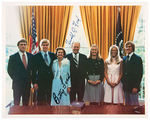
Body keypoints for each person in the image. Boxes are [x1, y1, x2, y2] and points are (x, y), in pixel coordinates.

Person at [7, 38, 33, 106]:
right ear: (18, 46)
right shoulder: (13, 57)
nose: (23, 46)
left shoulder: (31, 56)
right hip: (17, 84)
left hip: (27, 84)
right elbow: (9, 70)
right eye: (21, 44)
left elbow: (32, 69)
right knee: (16, 103)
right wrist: (16, 78)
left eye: (24, 44)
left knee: (26, 103)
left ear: (26, 46)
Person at [31, 39, 55, 105]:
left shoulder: (53, 55)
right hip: (40, 82)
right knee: (40, 101)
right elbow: (33, 71)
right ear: (40, 46)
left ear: (49, 46)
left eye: (47, 45)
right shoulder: (35, 56)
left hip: (51, 81)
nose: (45, 46)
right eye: (43, 45)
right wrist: (34, 82)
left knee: (50, 100)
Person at [122, 41, 143, 106]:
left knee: (135, 106)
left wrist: (136, 86)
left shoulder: (137, 58)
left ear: (132, 48)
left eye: (129, 46)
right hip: (126, 87)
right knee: (127, 106)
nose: (128, 48)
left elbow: (139, 74)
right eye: (126, 47)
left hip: (134, 87)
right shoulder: (124, 58)